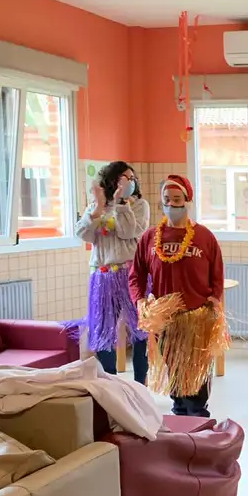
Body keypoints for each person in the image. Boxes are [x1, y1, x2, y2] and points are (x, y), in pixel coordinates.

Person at [129, 175, 225, 417]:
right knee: (175, 373)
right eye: (166, 200)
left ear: (187, 201)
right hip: (166, 321)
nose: (171, 205)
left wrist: (214, 299)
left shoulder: (204, 237)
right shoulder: (150, 238)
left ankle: (198, 422)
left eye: (177, 199)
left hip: (197, 319)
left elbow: (217, 274)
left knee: (197, 378)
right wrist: (140, 300)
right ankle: (180, 418)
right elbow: (136, 275)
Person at [73, 161, 151, 384]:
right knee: (104, 331)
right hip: (103, 276)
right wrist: (97, 209)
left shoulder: (139, 205)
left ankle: (140, 385)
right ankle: (112, 385)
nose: (129, 182)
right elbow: (83, 234)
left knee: (140, 330)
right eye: (124, 178)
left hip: (131, 274)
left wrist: (121, 203)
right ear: (112, 180)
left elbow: (129, 232)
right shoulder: (96, 206)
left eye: (132, 179)